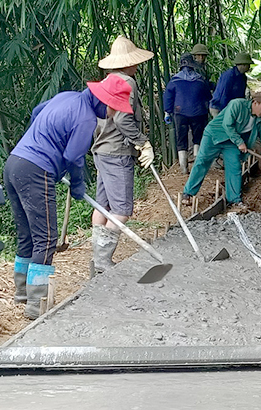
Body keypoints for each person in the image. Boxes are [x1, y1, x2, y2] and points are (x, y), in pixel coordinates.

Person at [3, 74, 133, 319]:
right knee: (47, 237)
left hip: (14, 163)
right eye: (115, 110)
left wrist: (38, 140)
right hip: (35, 170)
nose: (114, 115)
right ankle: (36, 304)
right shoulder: (86, 119)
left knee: (27, 234)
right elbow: (74, 157)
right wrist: (77, 183)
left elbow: (36, 111)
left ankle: (22, 291)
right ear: (105, 103)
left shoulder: (67, 98)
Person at [91, 35, 155, 274]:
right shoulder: (127, 82)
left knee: (102, 206)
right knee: (122, 209)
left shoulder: (106, 82)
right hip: (117, 152)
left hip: (101, 149)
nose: (137, 66)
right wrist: (142, 142)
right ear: (129, 63)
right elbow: (123, 119)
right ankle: (103, 261)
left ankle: (97, 259)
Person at [181, 92, 261, 209]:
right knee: (202, 162)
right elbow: (227, 125)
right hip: (214, 135)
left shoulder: (260, 120)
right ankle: (188, 193)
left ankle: (234, 199)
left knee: (234, 167)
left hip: (231, 142)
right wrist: (240, 142)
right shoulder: (237, 105)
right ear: (255, 103)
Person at [163, 53, 213, 174]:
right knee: (197, 137)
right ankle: (197, 163)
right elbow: (208, 96)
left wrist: (167, 113)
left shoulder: (174, 81)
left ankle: (183, 167)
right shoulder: (200, 80)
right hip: (198, 113)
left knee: (181, 139)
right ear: (192, 65)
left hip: (180, 113)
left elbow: (168, 98)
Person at [209, 52, 253, 118]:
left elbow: (241, 95)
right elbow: (223, 94)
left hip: (232, 107)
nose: (249, 67)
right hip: (219, 107)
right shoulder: (229, 76)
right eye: (248, 65)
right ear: (243, 65)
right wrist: (225, 112)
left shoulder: (243, 77)